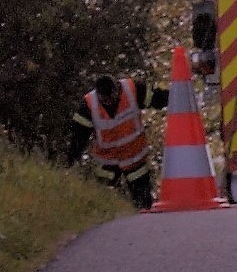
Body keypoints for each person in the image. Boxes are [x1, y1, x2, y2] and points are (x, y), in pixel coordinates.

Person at [68, 72, 170, 209]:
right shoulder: (88, 106)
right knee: (103, 203)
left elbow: (158, 99)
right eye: (104, 100)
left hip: (134, 160)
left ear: (117, 88)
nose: (109, 102)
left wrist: (177, 95)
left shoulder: (133, 89)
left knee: (143, 203)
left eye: (111, 98)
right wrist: (70, 162)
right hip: (107, 163)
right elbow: (78, 138)